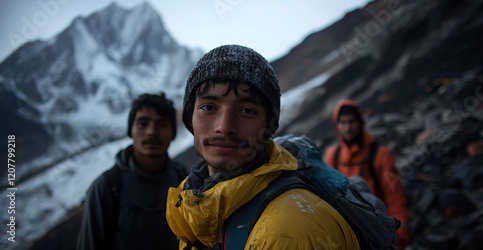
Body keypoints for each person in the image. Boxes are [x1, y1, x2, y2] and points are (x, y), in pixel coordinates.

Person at [166, 45, 360, 250]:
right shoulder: (191, 202)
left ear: (269, 125)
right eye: (208, 107)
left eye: (247, 110)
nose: (224, 127)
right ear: (190, 117)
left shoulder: (287, 232)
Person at [77, 93, 187, 250]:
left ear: (173, 133)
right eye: (143, 123)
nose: (151, 132)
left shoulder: (183, 179)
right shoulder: (107, 187)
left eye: (162, 124)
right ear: (131, 131)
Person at [323, 99, 410, 249]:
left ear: (361, 122)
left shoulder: (380, 155)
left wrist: (400, 230)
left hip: (378, 228)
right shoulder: (332, 156)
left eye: (352, 122)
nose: (348, 128)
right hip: (349, 233)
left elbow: (393, 196)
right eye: (342, 123)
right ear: (336, 126)